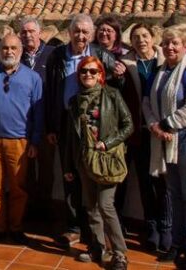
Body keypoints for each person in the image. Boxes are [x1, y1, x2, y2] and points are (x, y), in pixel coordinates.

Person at [45, 13, 121, 247]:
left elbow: (116, 90)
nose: (80, 35)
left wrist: (121, 74)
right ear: (69, 32)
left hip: (94, 124)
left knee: (93, 175)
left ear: (91, 34)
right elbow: (51, 93)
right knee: (70, 174)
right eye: (76, 30)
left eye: (85, 32)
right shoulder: (57, 56)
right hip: (67, 121)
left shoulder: (102, 56)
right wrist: (52, 125)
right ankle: (74, 227)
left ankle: (94, 232)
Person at [142, 25, 186, 270]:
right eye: (167, 43)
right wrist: (154, 126)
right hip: (164, 143)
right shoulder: (159, 72)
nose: (170, 47)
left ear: (185, 46)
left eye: (175, 43)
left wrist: (166, 124)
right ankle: (178, 243)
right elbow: (147, 101)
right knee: (175, 194)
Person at [62, 57, 132, 270]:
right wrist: (68, 166)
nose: (88, 75)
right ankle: (98, 247)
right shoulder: (75, 101)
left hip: (107, 159)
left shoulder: (112, 95)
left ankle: (119, 253)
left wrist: (107, 143)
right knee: (90, 206)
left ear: (101, 74)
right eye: (84, 71)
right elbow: (71, 137)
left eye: (93, 71)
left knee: (106, 205)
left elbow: (128, 125)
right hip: (84, 160)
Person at [0, 35, 43, 245]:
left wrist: (34, 141)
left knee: (18, 187)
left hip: (20, 141)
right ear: (0, 50)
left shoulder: (33, 78)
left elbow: (38, 111)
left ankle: (16, 228)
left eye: (13, 48)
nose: (9, 51)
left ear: (21, 50)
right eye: (5, 48)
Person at [117, 23, 171, 253]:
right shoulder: (128, 64)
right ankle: (152, 229)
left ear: (153, 37)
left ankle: (166, 228)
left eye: (145, 36)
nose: (141, 40)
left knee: (165, 184)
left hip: (163, 131)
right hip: (138, 134)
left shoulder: (166, 60)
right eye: (136, 37)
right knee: (145, 183)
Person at [19, 17, 56, 214]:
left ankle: (45, 207)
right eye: (24, 32)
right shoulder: (17, 57)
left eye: (31, 31)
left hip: (47, 124)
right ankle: (29, 208)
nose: (28, 35)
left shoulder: (52, 55)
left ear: (40, 33)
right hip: (24, 125)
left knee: (47, 169)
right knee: (26, 170)